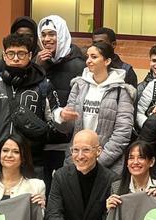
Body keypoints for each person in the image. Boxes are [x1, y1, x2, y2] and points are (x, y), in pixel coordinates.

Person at [0, 33, 53, 173]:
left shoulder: (43, 85)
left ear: (30, 55)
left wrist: (38, 141)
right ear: (4, 56)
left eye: (21, 53)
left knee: (32, 195)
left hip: (32, 160)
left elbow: (53, 121)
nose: (16, 58)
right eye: (11, 53)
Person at [55, 40, 136, 171]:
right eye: (87, 56)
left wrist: (98, 162)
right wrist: (62, 117)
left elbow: (122, 132)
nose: (88, 61)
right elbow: (68, 127)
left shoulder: (122, 90)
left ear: (107, 61)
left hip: (107, 165)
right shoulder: (78, 85)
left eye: (94, 57)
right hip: (76, 160)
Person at [37, 15, 86, 180]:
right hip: (41, 140)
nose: (47, 39)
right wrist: (37, 67)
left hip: (67, 141)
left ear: (62, 35)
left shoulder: (79, 65)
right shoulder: (37, 63)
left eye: (52, 34)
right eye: (43, 35)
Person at [0, 134, 47, 205]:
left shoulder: (36, 186)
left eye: (16, 152)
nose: (9, 155)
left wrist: (41, 209)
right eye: (5, 150)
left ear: (24, 157)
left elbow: (38, 217)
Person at [106, 139, 156, 208]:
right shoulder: (116, 187)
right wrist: (110, 210)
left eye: (141, 158)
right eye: (131, 158)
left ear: (151, 162)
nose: (135, 162)